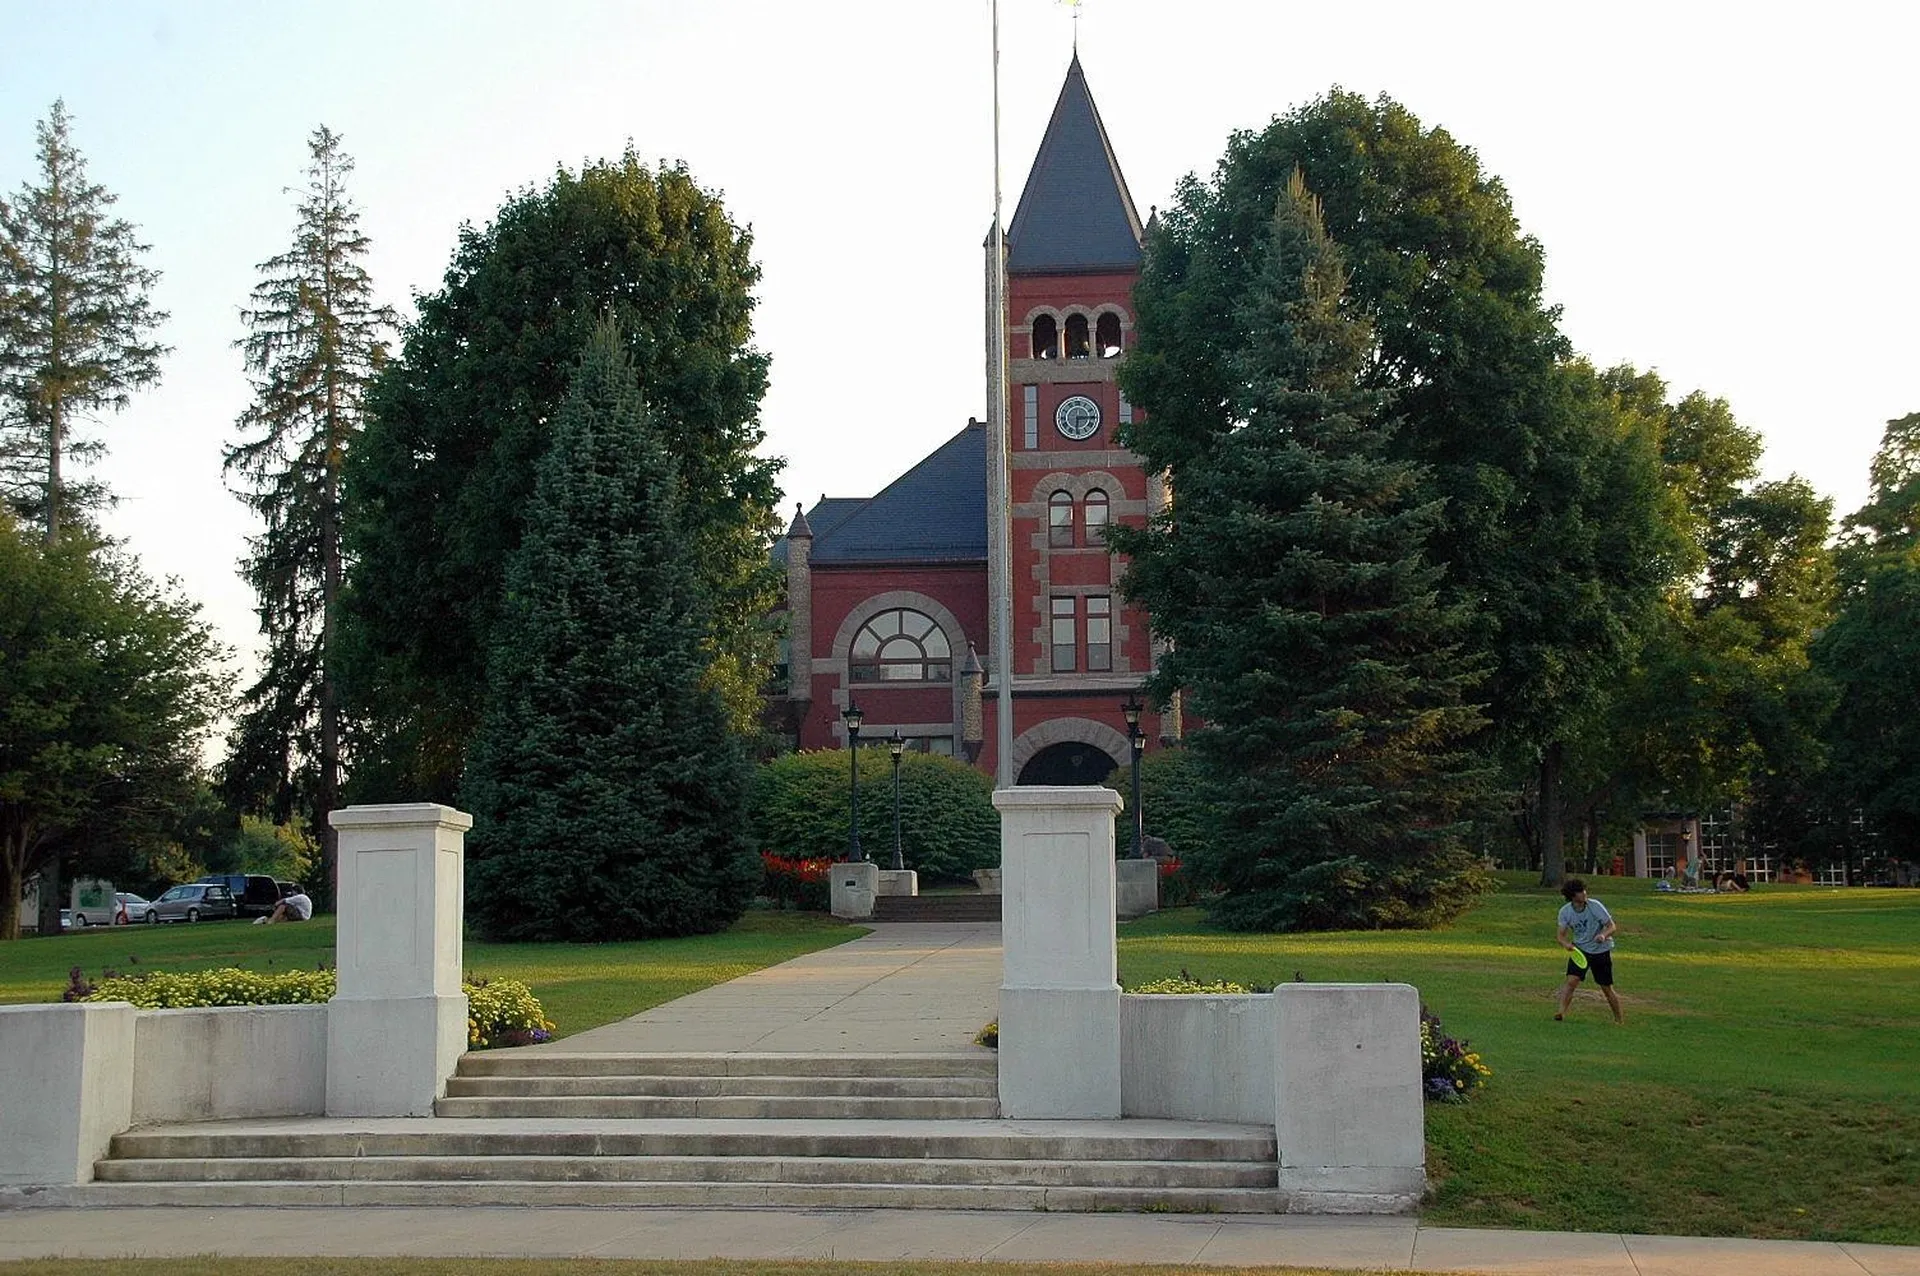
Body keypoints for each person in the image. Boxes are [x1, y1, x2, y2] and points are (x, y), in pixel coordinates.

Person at [1555, 877, 1622, 1023]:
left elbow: (1612, 926)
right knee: (1571, 981)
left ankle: (1618, 1019)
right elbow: (1560, 936)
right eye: (1580, 891)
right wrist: (1566, 944)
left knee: (1606, 987)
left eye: (1584, 890)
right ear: (1572, 896)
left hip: (1600, 951)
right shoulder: (1565, 912)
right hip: (1580, 951)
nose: (1584, 893)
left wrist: (1603, 935)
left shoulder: (1595, 906)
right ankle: (1560, 1013)